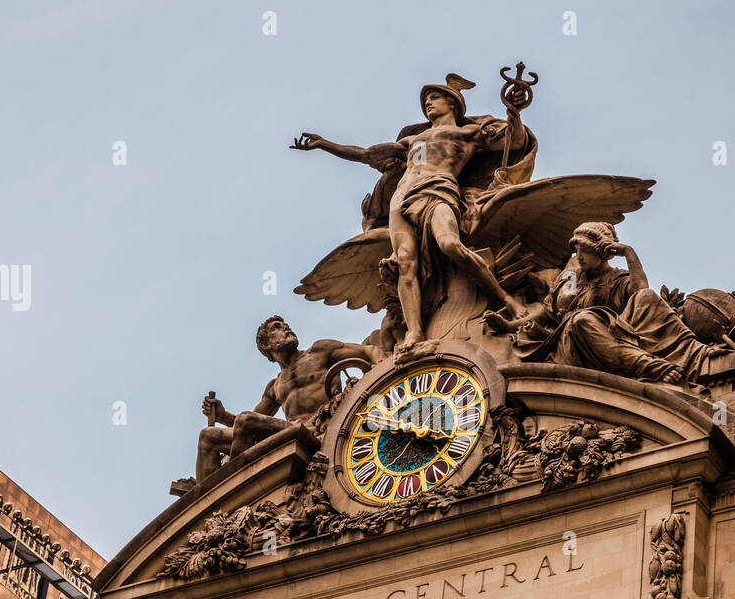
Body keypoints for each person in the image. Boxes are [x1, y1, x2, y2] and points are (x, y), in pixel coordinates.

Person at [293, 75, 533, 351]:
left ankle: (507, 301)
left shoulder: (468, 134)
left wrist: (514, 111)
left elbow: (514, 142)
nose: (428, 104)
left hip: (438, 190)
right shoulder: (413, 141)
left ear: (453, 103)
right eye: (426, 101)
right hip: (402, 199)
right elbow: (366, 154)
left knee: (450, 244)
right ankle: (415, 332)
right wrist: (325, 144)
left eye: (434, 98)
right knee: (405, 265)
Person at [483, 222, 718, 382]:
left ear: (603, 251)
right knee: (581, 320)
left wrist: (628, 253)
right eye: (576, 251)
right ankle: (650, 366)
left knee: (646, 297)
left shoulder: (617, 279)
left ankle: (694, 354)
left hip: (617, 335)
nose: (579, 257)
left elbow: (641, 293)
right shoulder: (574, 280)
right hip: (575, 343)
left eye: (584, 250)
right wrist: (508, 326)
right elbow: (547, 313)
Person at [194, 317, 378, 480]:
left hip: (322, 427)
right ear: (266, 345)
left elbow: (369, 351)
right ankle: (207, 504)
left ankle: (234, 486)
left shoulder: (320, 351)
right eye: (277, 327)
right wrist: (223, 415)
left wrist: (384, 366)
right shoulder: (275, 385)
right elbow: (244, 426)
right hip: (292, 432)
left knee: (246, 420)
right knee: (207, 437)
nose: (286, 328)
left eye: (286, 325)